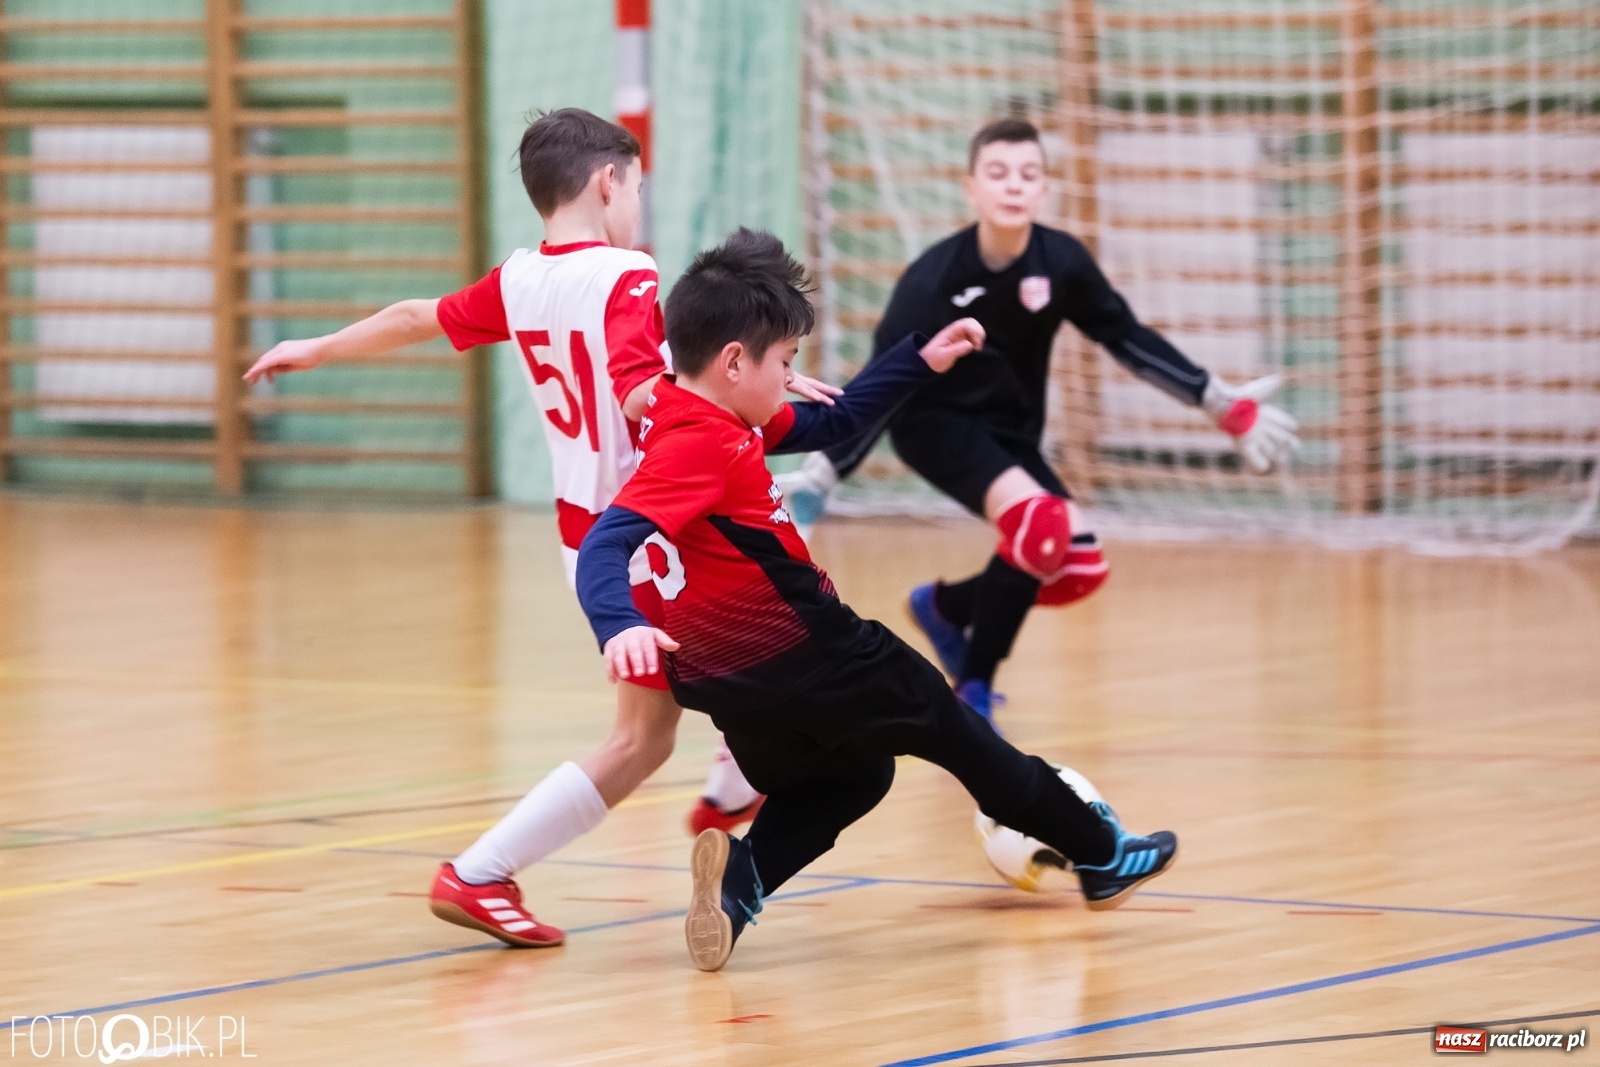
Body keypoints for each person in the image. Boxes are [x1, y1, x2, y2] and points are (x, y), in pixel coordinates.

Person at [242, 109, 838, 948]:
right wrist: (745, 403)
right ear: (609, 183)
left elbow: (419, 315)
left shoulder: (521, 278)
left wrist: (319, 346)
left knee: (653, 728)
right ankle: (493, 867)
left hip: (583, 535)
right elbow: (639, 390)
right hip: (646, 537)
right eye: (636, 185)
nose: (638, 204)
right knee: (718, 680)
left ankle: (707, 791)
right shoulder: (628, 276)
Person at [574, 229, 1178, 971]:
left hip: (724, 681)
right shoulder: (707, 443)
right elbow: (606, 543)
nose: (794, 378)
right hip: (814, 651)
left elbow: (835, 420)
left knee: (860, 773)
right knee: (962, 734)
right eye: (786, 363)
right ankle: (1101, 853)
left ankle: (742, 878)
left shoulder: (682, 409)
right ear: (734, 360)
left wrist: (917, 359)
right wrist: (618, 624)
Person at [777, 119, 1300, 721]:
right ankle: (973, 690)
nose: (1013, 186)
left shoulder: (1062, 262)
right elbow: (882, 384)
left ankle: (945, 607)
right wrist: (823, 476)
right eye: (997, 173)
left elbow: (1126, 338)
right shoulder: (933, 280)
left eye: (1028, 174)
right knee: (1040, 525)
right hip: (933, 424)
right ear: (971, 187)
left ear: (1045, 189)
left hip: (1010, 434)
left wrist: (1218, 402)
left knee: (1078, 566)